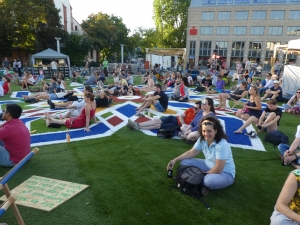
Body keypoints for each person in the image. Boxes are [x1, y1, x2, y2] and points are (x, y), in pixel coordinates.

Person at [167, 116, 235, 190]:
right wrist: (175, 160)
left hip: (224, 173)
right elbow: (191, 153)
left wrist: (202, 174)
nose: (206, 134)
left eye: (209, 131)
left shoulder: (222, 144)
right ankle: (198, 180)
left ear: (216, 131)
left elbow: (219, 168)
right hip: (207, 165)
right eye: (204, 131)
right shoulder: (202, 139)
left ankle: (199, 180)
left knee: (208, 181)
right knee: (184, 162)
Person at [127, 101, 201, 131]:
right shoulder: (191, 109)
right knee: (156, 121)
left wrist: (182, 125)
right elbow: (181, 116)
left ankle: (138, 127)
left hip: (176, 125)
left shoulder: (200, 117)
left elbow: (193, 126)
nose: (194, 109)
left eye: (196, 108)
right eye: (194, 107)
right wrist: (184, 124)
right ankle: (137, 124)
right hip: (174, 118)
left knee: (157, 125)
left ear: (201, 109)